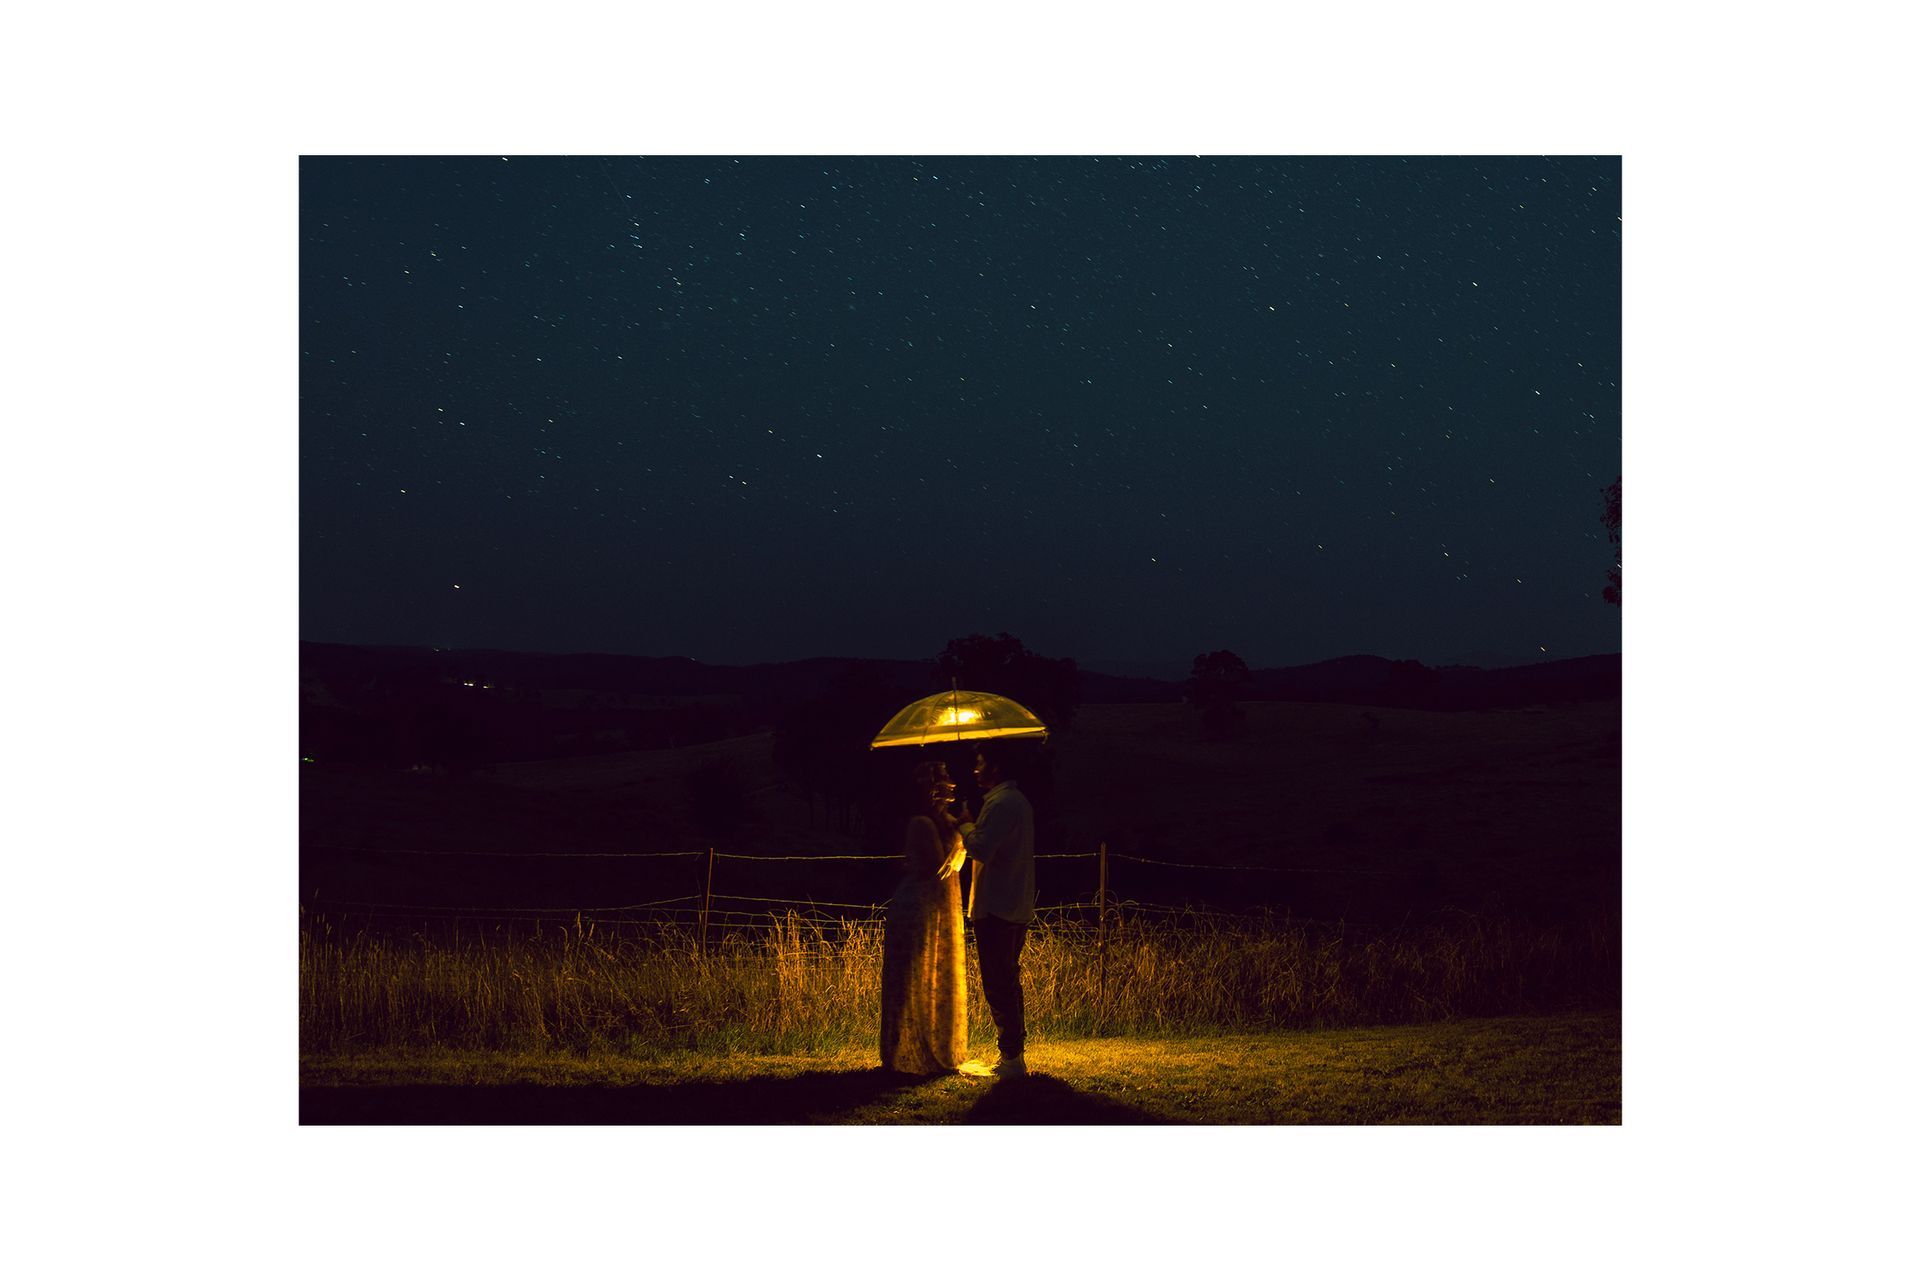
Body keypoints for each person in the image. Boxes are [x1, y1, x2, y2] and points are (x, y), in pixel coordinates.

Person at [953, 740, 1036, 1079]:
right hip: (1010, 903)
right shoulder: (1012, 801)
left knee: (999, 982)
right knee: (1006, 980)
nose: (975, 769)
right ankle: (1013, 1055)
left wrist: (965, 824)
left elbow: (982, 848)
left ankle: (1012, 1059)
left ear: (996, 768)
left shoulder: (1002, 803)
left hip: (999, 906)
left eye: (981, 762)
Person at [878, 760, 968, 1074]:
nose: (952, 783)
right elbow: (937, 867)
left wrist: (963, 832)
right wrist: (961, 840)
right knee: (913, 977)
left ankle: (939, 1043)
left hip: (940, 907)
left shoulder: (949, 821)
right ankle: (905, 1051)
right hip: (918, 907)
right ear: (931, 787)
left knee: (936, 977)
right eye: (944, 777)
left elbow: (955, 862)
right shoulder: (922, 823)